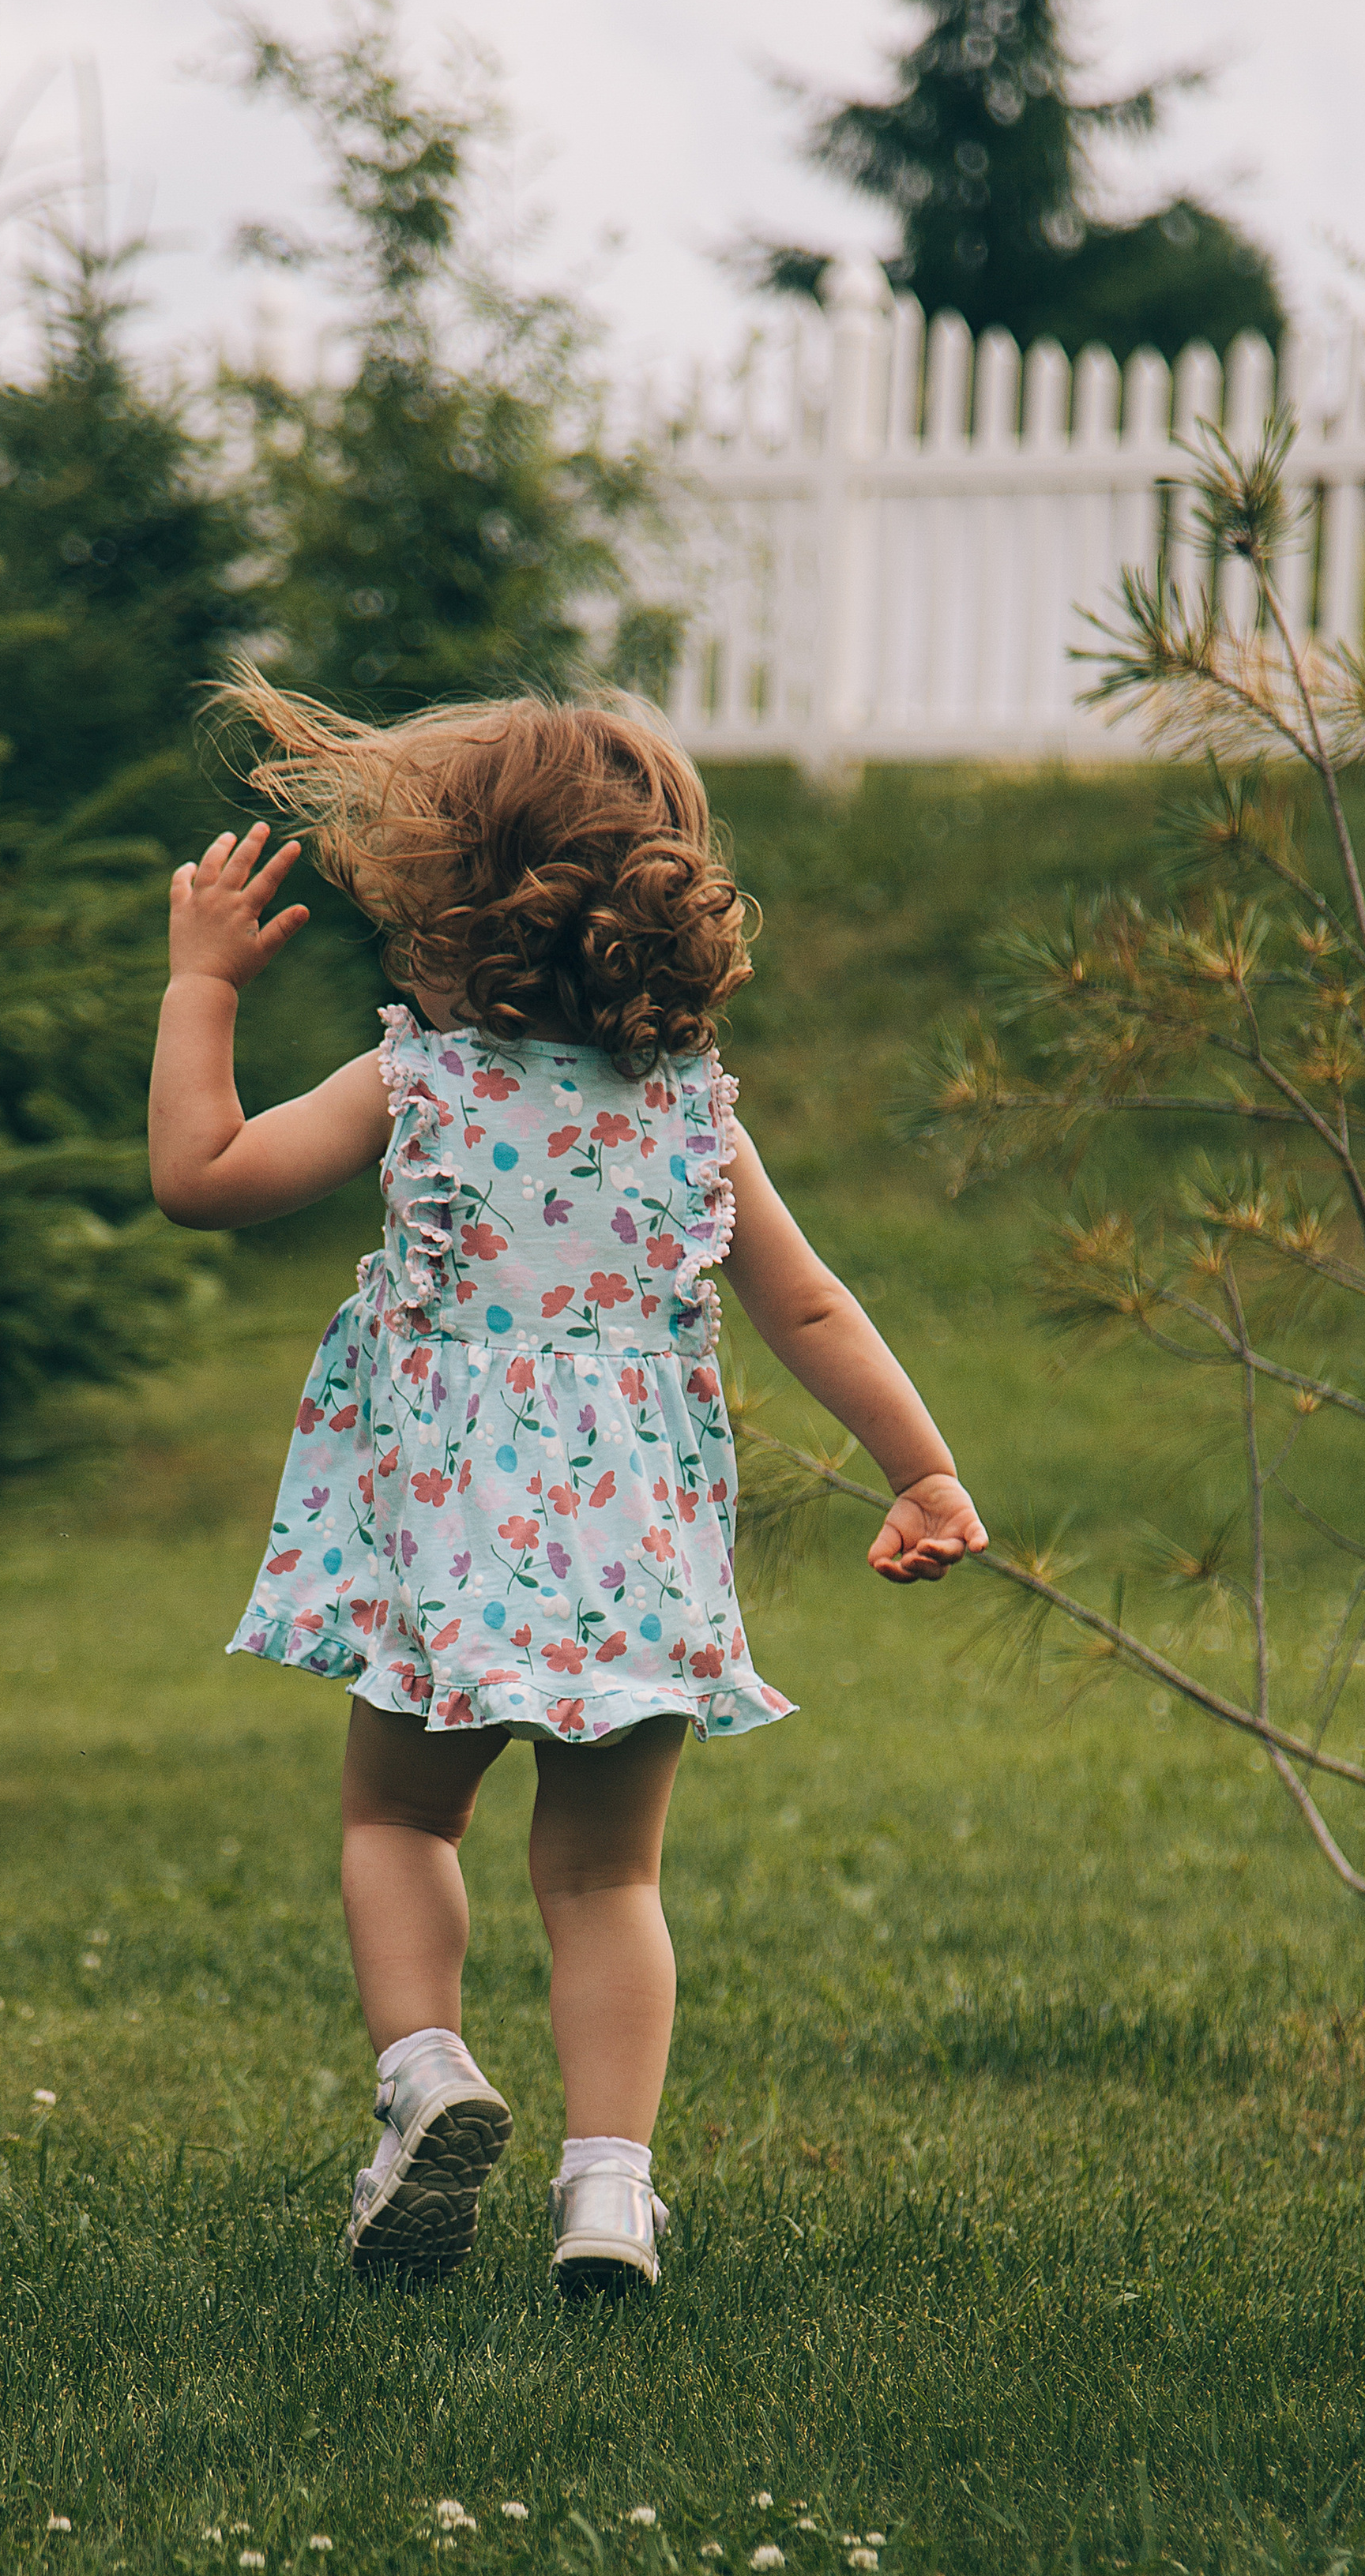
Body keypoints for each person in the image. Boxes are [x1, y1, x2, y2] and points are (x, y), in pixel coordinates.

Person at [147, 670, 987, 2296]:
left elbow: (203, 1180)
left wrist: (200, 989)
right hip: (639, 1549)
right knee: (606, 1874)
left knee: (397, 1817)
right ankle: (605, 2193)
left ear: (447, 903)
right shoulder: (692, 1117)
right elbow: (808, 1303)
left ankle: (425, 2079)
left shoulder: (423, 1086)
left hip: (454, 1546)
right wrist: (921, 1468)